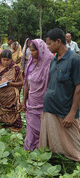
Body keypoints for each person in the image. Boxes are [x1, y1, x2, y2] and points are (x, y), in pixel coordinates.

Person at [39, 28, 80, 162]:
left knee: (75, 146)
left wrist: (72, 113)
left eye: (49, 44)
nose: (47, 47)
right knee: (52, 143)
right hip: (50, 107)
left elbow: (78, 88)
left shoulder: (74, 59)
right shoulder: (53, 60)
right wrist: (44, 110)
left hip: (65, 110)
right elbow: (52, 84)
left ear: (58, 42)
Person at [23, 39, 54, 152]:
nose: (31, 54)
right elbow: (27, 82)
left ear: (40, 51)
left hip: (43, 103)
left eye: (33, 51)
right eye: (30, 51)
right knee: (31, 127)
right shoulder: (31, 62)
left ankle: (42, 151)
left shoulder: (49, 63)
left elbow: (51, 86)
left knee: (42, 129)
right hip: (32, 102)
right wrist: (24, 101)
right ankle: (29, 150)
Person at [0, 50, 23, 132]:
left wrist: (11, 84)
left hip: (11, 96)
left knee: (14, 110)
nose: (5, 62)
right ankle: (4, 125)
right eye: (4, 60)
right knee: (0, 112)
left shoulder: (15, 68)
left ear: (11, 59)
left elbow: (21, 82)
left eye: (8, 60)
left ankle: (16, 127)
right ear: (0, 59)